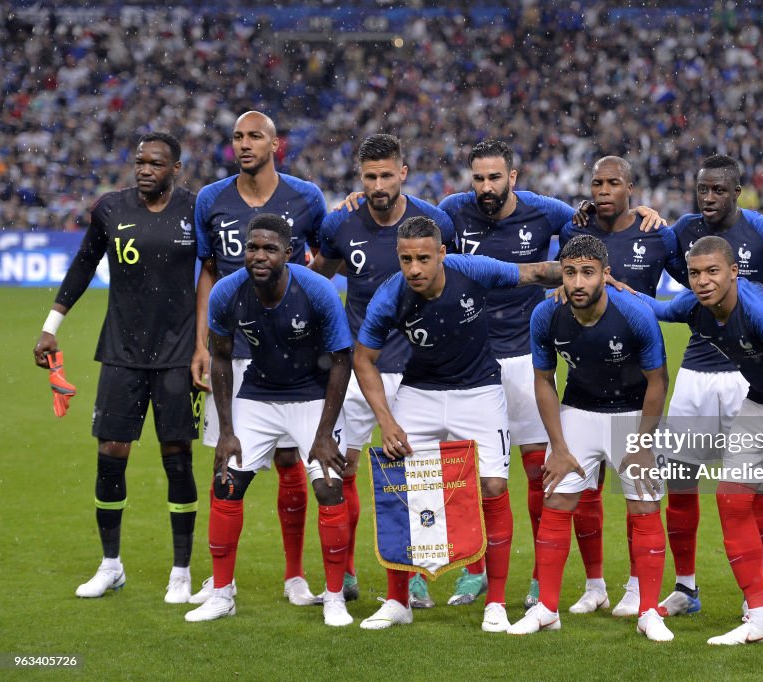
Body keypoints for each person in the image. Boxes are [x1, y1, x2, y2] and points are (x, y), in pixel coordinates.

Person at [437, 139, 664, 609]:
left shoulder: (547, 213)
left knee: (546, 472)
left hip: (525, 358)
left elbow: (597, 231)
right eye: (478, 178)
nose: (485, 186)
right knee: (466, 473)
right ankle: (471, 571)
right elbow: (413, 228)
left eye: (495, 177)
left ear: (513, 177)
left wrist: (632, 209)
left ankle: (545, 582)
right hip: (468, 359)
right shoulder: (451, 212)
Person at [638, 236, 763, 656]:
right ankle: (761, 618)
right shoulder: (695, 305)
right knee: (732, 498)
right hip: (762, 398)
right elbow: (658, 309)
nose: (701, 281)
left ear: (734, 272)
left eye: (712, 271)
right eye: (695, 273)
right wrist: (616, 289)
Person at [353, 216, 562, 633]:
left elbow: (535, 272)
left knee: (494, 487)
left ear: (442, 255)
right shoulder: (390, 296)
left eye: (423, 258)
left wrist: (584, 273)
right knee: (404, 491)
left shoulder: (472, 269)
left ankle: (496, 603)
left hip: (480, 391)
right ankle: (398, 600)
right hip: (420, 393)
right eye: (406, 259)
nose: (414, 268)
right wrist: (387, 420)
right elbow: (363, 359)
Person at [32, 132, 200, 603]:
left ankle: (181, 571)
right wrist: (51, 326)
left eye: (156, 163)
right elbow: (83, 265)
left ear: (175, 169)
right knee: (111, 454)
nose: (145, 169)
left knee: (177, 459)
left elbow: (214, 272)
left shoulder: (196, 210)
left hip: (178, 354)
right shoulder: (111, 208)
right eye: (140, 161)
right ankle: (111, 565)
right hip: (121, 352)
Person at [184, 213, 354, 627]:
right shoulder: (227, 292)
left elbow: (340, 361)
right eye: (252, 247)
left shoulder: (316, 290)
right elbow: (221, 357)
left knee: (330, 487)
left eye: (270, 249)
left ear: (288, 253)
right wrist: (225, 431)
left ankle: (334, 598)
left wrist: (324, 434)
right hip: (258, 395)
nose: (259, 256)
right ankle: (222, 593)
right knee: (226, 479)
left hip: (313, 394)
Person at [310, 133, 456, 605]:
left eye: (386, 175)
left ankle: (418, 579)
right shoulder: (343, 225)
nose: (378, 184)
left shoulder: (434, 223)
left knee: (418, 475)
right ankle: (348, 572)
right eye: (369, 176)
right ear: (360, 177)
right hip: (359, 368)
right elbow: (317, 280)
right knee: (344, 468)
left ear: (403, 174)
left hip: (417, 369)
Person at [190, 111, 328, 607]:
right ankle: (219, 579)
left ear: (276, 144)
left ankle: (295, 576)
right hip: (230, 349)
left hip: (289, 350)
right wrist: (202, 343)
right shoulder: (211, 199)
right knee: (227, 462)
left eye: (255, 137)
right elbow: (207, 271)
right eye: (238, 137)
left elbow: (320, 265)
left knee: (292, 459)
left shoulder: (306, 197)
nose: (244, 145)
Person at [509, 235, 673, 642]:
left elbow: (659, 382)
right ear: (560, 276)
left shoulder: (634, 313)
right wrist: (560, 448)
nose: (578, 282)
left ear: (605, 275)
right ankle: (547, 609)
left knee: (645, 507)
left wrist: (642, 444)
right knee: (556, 501)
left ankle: (649, 612)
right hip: (578, 413)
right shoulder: (546, 315)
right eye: (569, 273)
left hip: (633, 416)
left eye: (587, 272)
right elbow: (543, 381)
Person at [555, 156, 685, 615]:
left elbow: (694, 288)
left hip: (639, 384)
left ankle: (635, 586)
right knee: (583, 492)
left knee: (639, 496)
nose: (603, 190)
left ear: (631, 187)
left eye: (613, 183)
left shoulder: (657, 234)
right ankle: (594, 586)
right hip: (584, 386)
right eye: (596, 183)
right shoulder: (575, 233)